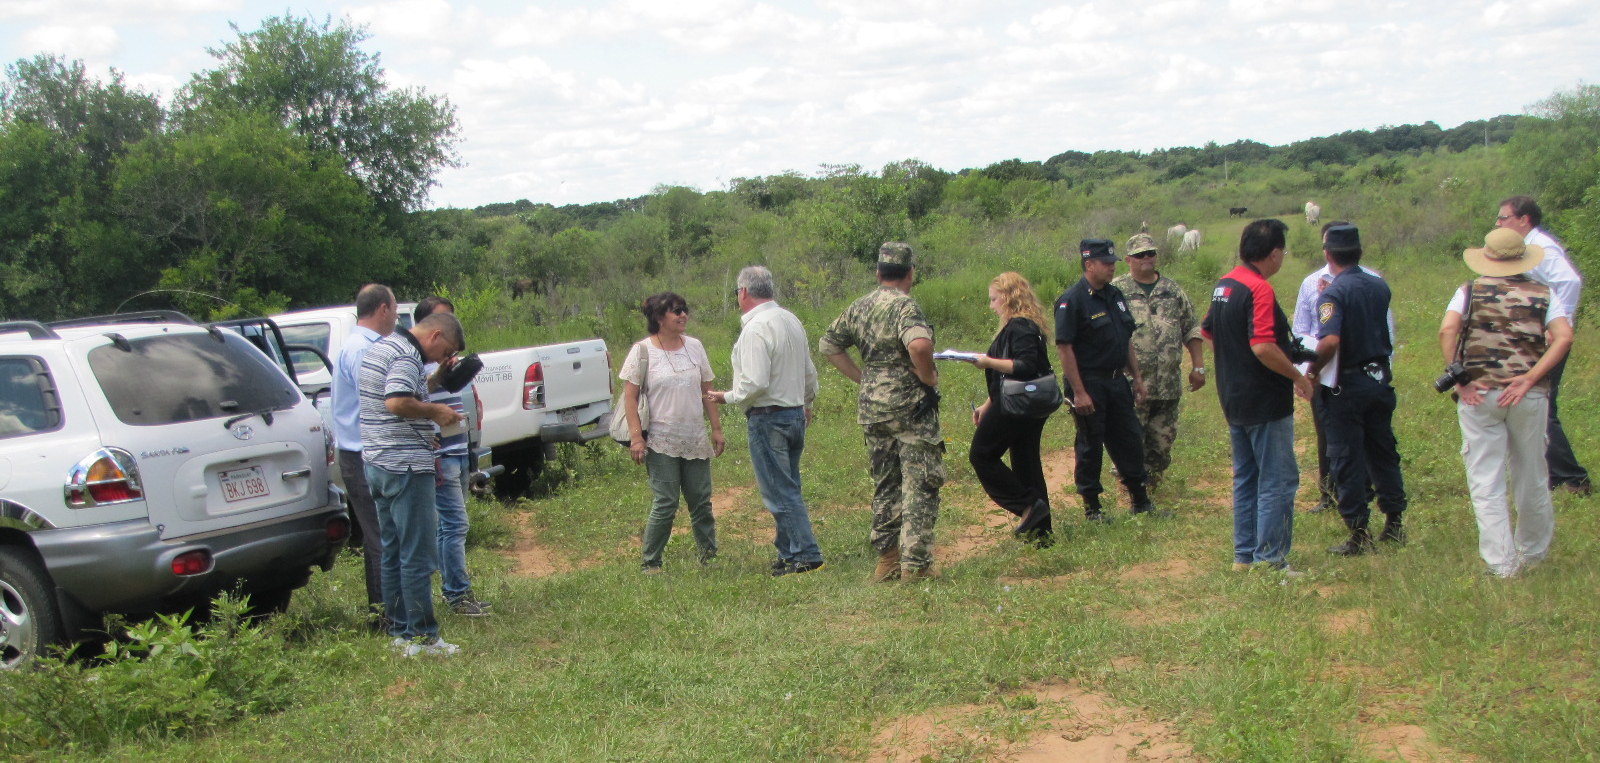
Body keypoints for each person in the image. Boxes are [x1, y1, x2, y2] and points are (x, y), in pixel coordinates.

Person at [1440, 227, 1573, 577]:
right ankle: (1533, 552)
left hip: (1479, 394)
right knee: (1532, 472)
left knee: (1486, 477)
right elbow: (1563, 336)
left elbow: (1448, 330)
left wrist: (1460, 378)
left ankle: (1501, 562)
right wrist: (1530, 377)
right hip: (1528, 394)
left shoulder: (1469, 291)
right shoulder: (1543, 293)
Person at [820, 242, 944, 582]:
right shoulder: (905, 306)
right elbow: (919, 344)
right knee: (920, 481)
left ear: (878, 273)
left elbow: (829, 344)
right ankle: (916, 565)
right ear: (910, 273)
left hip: (873, 408)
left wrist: (864, 379)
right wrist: (927, 377)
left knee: (886, 482)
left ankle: (888, 560)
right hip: (910, 408)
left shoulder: (860, 306)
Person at [1202, 219, 1313, 574]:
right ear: (1275, 253)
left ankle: (1245, 557)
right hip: (1264, 400)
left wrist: (1234, 363)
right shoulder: (1259, 289)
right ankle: (1271, 560)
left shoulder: (1225, 284)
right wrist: (1297, 376)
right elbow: (1263, 345)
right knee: (1277, 480)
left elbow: (1208, 331)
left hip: (1234, 396)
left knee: (1247, 477)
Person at [359, 311, 467, 656]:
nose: (441, 358)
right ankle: (424, 636)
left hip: (378, 461)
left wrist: (434, 380)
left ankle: (400, 633)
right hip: (405, 466)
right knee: (417, 555)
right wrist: (436, 413)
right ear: (435, 335)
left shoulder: (384, 346)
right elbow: (396, 401)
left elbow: (401, 392)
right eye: (444, 351)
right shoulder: (406, 355)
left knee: (393, 550)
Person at [705, 267, 824, 576]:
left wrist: (726, 396)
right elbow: (809, 371)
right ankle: (788, 551)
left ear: (744, 292)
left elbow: (755, 382)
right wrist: (807, 402)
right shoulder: (790, 320)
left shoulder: (756, 328)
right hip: (794, 412)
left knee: (779, 490)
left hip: (768, 417)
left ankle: (805, 554)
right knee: (787, 485)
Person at [1302, 225, 1408, 556]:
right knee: (1383, 450)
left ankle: (1358, 532)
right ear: (1359, 251)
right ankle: (1394, 522)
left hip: (1346, 384)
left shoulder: (1332, 294)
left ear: (1328, 253)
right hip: (1378, 378)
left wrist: (1312, 370)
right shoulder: (1378, 285)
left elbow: (1330, 340)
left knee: (1346, 456)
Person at [1054, 238, 1160, 520]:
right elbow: (1065, 348)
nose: (1112, 267)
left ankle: (1140, 501)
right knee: (1090, 443)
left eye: (1113, 262)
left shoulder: (1115, 295)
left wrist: (1137, 378)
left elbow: (1125, 340)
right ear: (1089, 264)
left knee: (1129, 438)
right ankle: (1093, 508)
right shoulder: (1072, 301)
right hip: (1089, 382)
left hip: (1116, 380)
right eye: (1106, 263)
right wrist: (1079, 392)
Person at [619, 292, 723, 573]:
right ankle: (651, 562)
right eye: (676, 311)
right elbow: (630, 397)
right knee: (666, 502)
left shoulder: (695, 347)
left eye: (684, 309)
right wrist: (636, 437)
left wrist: (716, 429)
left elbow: (707, 391)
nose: (683, 315)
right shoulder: (642, 351)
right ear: (658, 317)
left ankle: (709, 557)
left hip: (695, 437)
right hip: (660, 440)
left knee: (701, 502)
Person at [1495, 196, 1589, 495]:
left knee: (1541, 403)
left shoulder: (1541, 248)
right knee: (1537, 402)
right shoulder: (1527, 247)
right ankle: (1556, 474)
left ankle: (1573, 477)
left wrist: (1561, 323)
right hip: (1536, 336)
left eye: (1504, 218)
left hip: (1549, 338)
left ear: (1524, 220)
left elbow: (1570, 282)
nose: (1498, 223)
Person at [412, 297, 491, 615]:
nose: (451, 329)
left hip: (457, 447)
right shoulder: (416, 359)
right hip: (440, 453)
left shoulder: (443, 358)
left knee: (450, 526)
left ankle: (454, 591)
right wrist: (438, 376)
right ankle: (458, 594)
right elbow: (410, 399)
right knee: (455, 524)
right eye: (445, 322)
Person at [966, 272, 1056, 544]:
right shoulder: (1022, 325)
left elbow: (1025, 366)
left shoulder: (1020, 327)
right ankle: (1041, 535)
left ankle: (1028, 505)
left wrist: (987, 362)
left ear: (1008, 297)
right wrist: (988, 403)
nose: (991, 305)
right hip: (1023, 403)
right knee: (1026, 463)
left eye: (994, 299)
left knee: (982, 454)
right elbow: (1007, 376)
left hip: (1018, 404)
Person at [1111, 232, 1206, 488]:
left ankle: (1152, 484)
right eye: (1140, 254)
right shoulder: (1117, 291)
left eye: (1150, 253)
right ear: (1128, 259)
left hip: (1167, 383)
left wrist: (1198, 367)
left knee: (1162, 442)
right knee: (1129, 439)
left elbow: (1191, 328)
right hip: (1131, 383)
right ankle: (1130, 488)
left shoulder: (1172, 290)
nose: (1146, 258)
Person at [331, 283, 397, 627]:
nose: (396, 317)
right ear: (383, 309)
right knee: (381, 535)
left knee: (382, 533)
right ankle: (388, 614)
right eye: (395, 310)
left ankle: (387, 609)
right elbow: (379, 401)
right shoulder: (362, 349)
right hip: (362, 454)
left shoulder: (364, 345)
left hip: (367, 451)